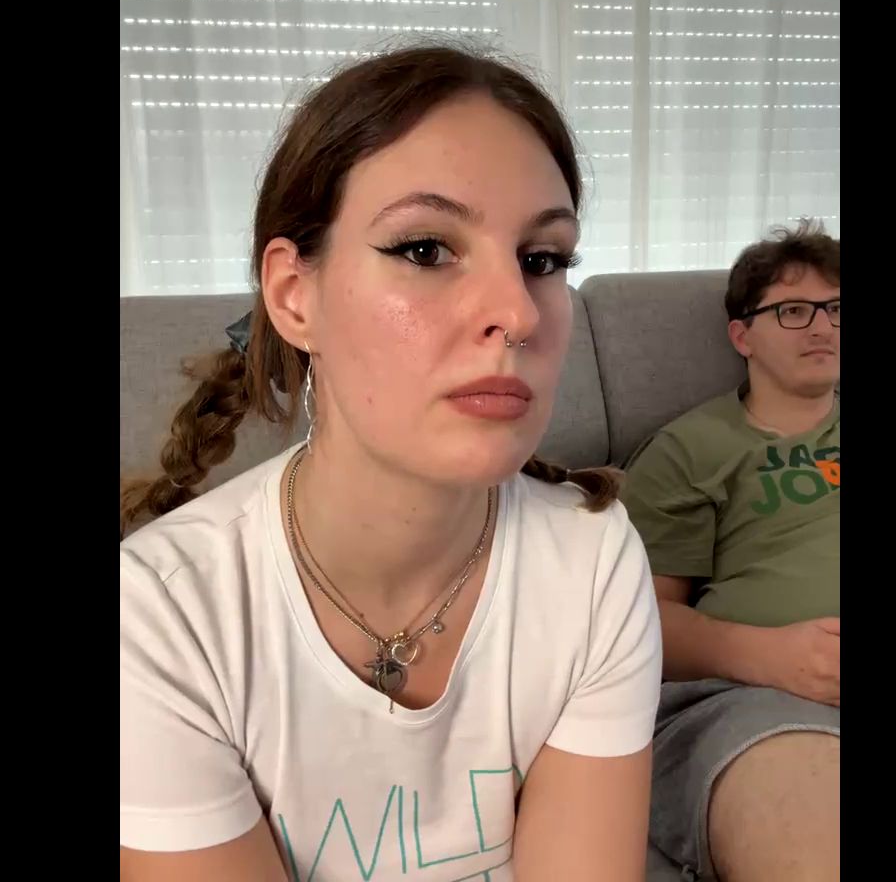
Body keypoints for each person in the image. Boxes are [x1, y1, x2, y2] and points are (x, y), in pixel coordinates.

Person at [119, 44, 663, 882]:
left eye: (543, 260)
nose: (519, 313)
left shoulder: (592, 562)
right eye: (424, 249)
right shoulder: (161, 615)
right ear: (294, 295)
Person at [620, 221, 840, 882]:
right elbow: (636, 625)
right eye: (794, 310)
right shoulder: (689, 450)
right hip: (757, 703)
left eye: (836, 308)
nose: (822, 327)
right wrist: (774, 657)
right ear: (742, 336)